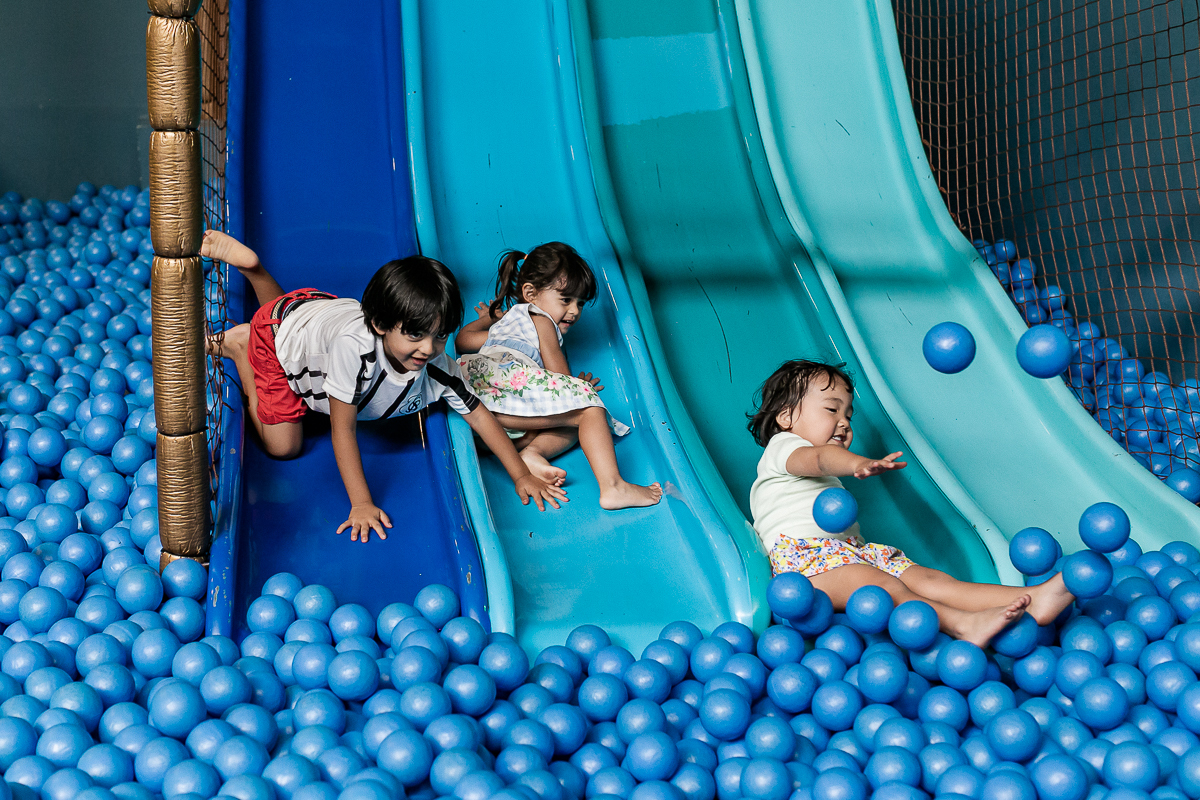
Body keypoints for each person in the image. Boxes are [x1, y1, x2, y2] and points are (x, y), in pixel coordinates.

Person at [201, 230, 566, 543]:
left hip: (312, 312)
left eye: (441, 335)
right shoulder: (354, 354)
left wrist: (520, 473)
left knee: (291, 326)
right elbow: (342, 429)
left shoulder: (436, 364)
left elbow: (480, 415)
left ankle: (252, 272)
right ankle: (240, 344)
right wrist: (361, 502)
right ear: (380, 323)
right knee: (284, 446)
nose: (428, 348)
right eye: (415, 334)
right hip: (276, 334)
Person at [747, 359, 1075, 647]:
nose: (845, 422)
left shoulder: (816, 464)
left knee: (932, 581)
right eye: (832, 409)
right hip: (806, 567)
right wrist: (856, 463)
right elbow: (819, 459)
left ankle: (1032, 602)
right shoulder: (783, 447)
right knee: (882, 586)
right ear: (787, 416)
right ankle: (963, 625)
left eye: (848, 414)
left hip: (850, 554)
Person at [455, 242, 662, 510]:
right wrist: (577, 388)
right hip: (505, 386)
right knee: (589, 411)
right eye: (566, 300)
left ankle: (531, 453)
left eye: (580, 303)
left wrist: (490, 318)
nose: (575, 311)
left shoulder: (505, 326)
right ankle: (613, 487)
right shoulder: (542, 320)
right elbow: (557, 372)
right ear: (530, 293)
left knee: (578, 427)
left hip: (481, 409)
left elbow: (462, 339)